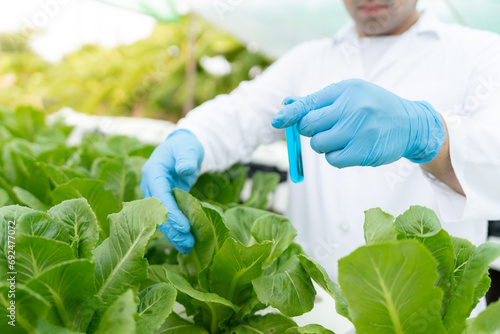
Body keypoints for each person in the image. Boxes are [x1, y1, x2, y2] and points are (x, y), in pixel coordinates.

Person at [141, 0, 500, 282]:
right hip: (317, 309)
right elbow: (243, 113)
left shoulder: (481, 53)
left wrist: (428, 134)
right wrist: (191, 137)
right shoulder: (309, 58)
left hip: (429, 312)